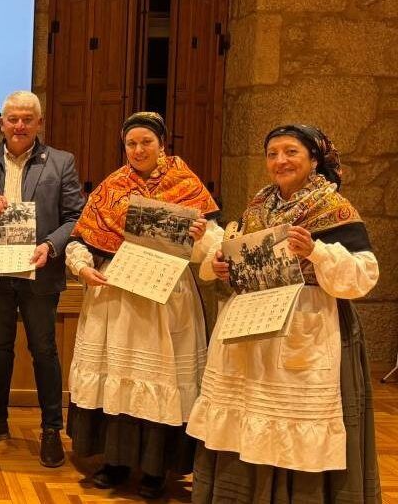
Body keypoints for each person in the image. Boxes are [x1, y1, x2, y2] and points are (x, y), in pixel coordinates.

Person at [188, 124, 381, 502]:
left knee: (293, 426)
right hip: (254, 331)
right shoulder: (259, 206)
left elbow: (364, 273)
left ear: (314, 159)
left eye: (291, 152)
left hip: (307, 329)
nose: (280, 160)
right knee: (245, 416)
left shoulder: (332, 208)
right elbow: (242, 255)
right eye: (272, 153)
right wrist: (226, 266)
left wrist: (316, 252)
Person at [63, 112, 221, 498]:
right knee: (117, 374)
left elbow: (209, 251)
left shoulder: (186, 185)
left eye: (146, 142)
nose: (138, 150)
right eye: (131, 144)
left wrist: (201, 235)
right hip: (116, 297)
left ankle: (155, 470)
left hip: (166, 301)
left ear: (161, 144)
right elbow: (82, 239)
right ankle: (115, 463)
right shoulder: (112, 187)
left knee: (159, 377)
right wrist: (81, 267)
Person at [0, 90, 85, 467]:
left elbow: (75, 217)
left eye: (27, 119)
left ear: (39, 123)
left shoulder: (61, 162)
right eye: (13, 119)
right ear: (2, 123)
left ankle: (50, 429)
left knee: (43, 350)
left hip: (39, 272)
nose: (20, 125)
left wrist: (50, 246)